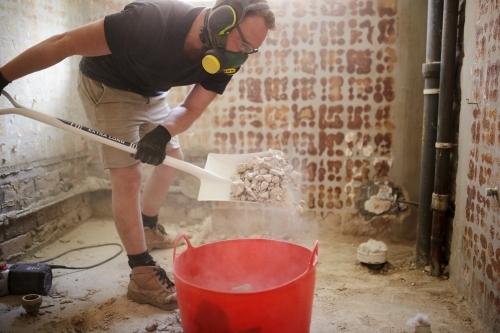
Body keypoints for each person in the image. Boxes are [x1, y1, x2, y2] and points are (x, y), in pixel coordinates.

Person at [0, 0, 276, 311]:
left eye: (250, 49)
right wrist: (3, 76)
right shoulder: (150, 21)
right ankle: (141, 272)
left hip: (153, 93)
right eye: (242, 42)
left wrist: (163, 133)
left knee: (172, 158)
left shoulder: (228, 59)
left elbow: (191, 107)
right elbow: (62, 43)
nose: (241, 55)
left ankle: (146, 225)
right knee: (129, 173)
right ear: (223, 19)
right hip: (109, 86)